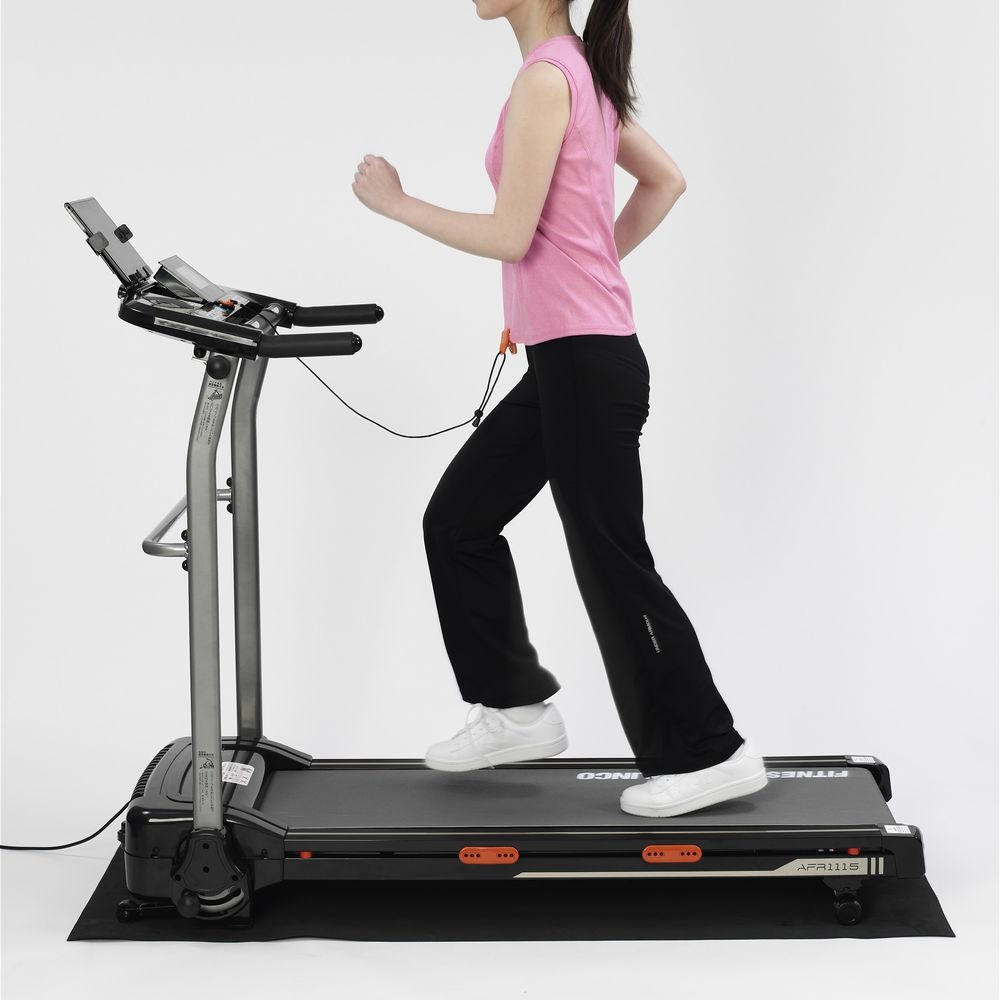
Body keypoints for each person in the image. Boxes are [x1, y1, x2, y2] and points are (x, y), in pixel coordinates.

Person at [351, 0, 767, 818]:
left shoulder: (548, 79)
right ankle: (516, 713)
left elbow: (512, 235)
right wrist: (577, 273)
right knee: (458, 522)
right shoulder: (581, 71)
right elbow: (666, 180)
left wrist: (397, 203)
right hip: (567, 360)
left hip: (586, 364)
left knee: (612, 559)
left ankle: (710, 753)